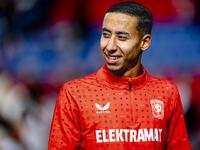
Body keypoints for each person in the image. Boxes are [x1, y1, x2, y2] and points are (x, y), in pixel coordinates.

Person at [47, 1, 192, 149]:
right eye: (106, 35)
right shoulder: (73, 93)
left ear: (145, 42)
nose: (110, 46)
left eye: (122, 37)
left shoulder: (167, 93)